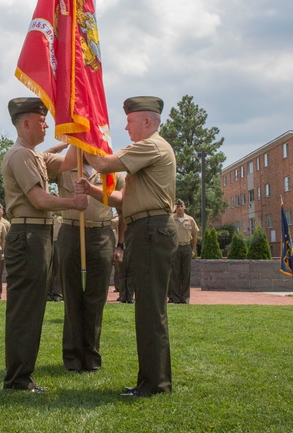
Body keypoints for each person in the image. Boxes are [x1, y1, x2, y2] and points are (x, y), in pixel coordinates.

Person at [78, 96, 177, 398]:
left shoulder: (151, 145)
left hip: (151, 231)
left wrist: (82, 135)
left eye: (130, 121)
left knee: (150, 311)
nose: (125, 126)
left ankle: (155, 384)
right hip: (145, 229)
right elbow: (125, 200)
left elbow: (105, 163)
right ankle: (151, 381)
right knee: (148, 310)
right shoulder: (149, 149)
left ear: (147, 122)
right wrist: (92, 190)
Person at [0, 97, 88, 394]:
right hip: (29, 236)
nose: (47, 124)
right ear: (26, 123)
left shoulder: (34, 155)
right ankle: (18, 380)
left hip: (37, 236)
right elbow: (38, 199)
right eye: (41, 120)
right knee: (26, 310)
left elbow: (67, 162)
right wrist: (71, 203)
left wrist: (79, 129)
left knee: (31, 308)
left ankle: (21, 377)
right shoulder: (21, 156)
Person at [54, 166, 122, 372]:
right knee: (71, 296)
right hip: (71, 231)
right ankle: (73, 358)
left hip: (101, 233)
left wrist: (121, 245)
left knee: (96, 297)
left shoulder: (112, 171)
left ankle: (91, 358)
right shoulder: (63, 167)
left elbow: (123, 207)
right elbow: (39, 164)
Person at [168, 199, 199, 304]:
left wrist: (193, 249)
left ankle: (185, 298)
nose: (179, 208)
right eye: (177, 206)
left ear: (184, 207)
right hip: (175, 248)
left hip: (186, 247)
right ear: (175, 208)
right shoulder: (171, 219)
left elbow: (195, 235)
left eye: (181, 206)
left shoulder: (190, 219)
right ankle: (175, 297)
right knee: (175, 273)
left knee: (186, 273)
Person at [47, 214, 63, 301]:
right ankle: (48, 293)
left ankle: (57, 293)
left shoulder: (61, 218)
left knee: (57, 269)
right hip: (48, 241)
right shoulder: (48, 217)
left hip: (58, 242)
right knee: (48, 269)